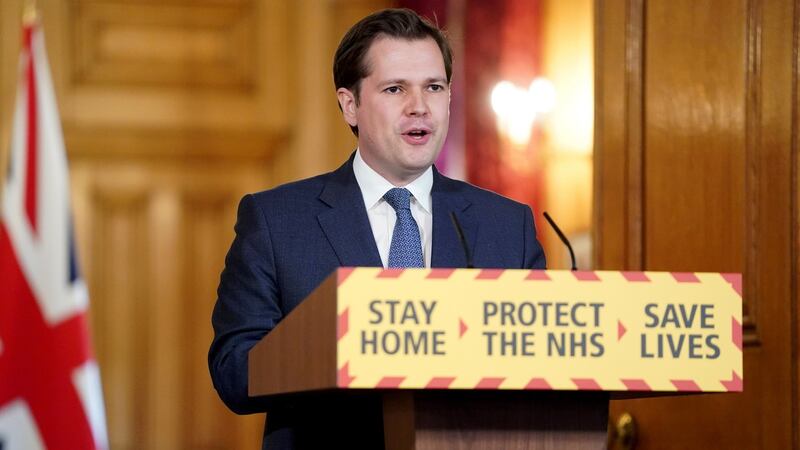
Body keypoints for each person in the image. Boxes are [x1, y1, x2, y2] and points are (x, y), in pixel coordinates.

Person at [209, 8, 546, 450]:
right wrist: (343, 345)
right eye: (395, 89)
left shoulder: (507, 225)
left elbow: (542, 359)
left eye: (434, 87)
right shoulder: (276, 221)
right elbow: (234, 370)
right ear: (351, 105)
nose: (419, 106)